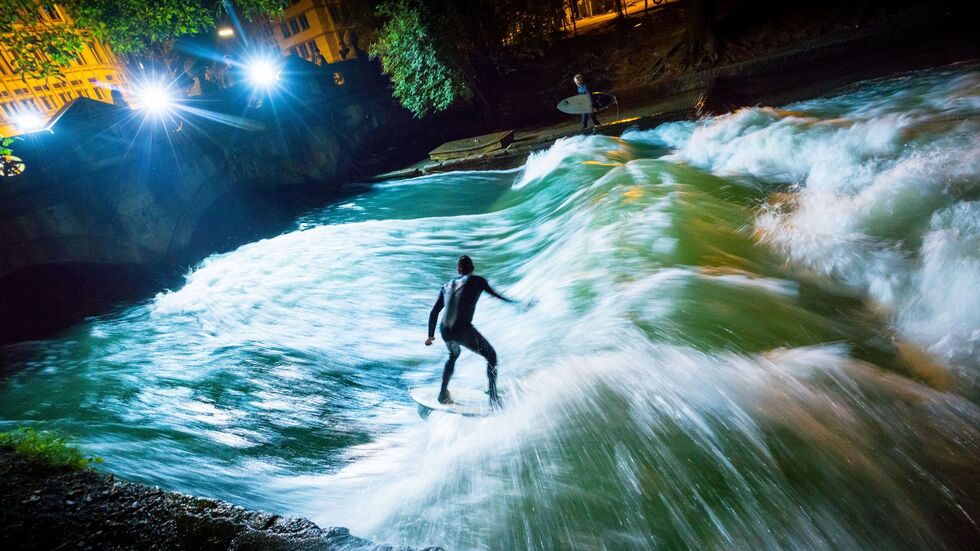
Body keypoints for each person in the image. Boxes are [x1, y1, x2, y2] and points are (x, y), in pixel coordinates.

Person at [426, 255, 516, 408]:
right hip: (462, 329)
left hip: (445, 330)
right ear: (472, 269)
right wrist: (515, 303)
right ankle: (493, 398)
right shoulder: (478, 280)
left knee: (453, 355)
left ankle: (442, 394)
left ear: (458, 270)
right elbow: (497, 296)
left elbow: (434, 312)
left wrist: (430, 336)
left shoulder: (446, 286)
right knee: (491, 356)